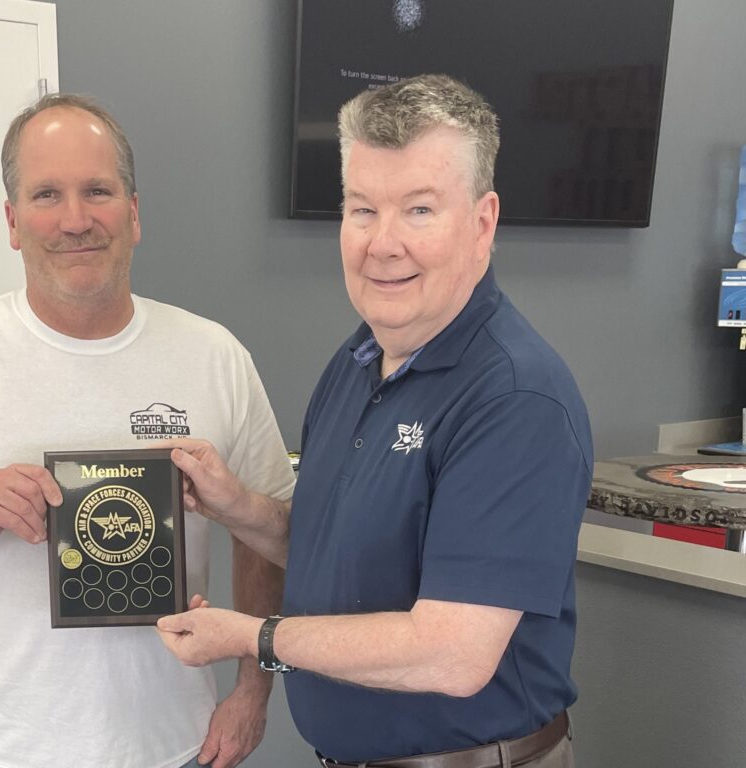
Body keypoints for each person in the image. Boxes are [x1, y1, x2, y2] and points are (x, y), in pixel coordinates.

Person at [0, 93, 295, 768]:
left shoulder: (213, 355)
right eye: (47, 195)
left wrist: (253, 690)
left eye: (97, 191)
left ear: (134, 213)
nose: (76, 220)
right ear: (13, 221)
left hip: (175, 746)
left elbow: (269, 532)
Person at [157, 74, 592, 768]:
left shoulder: (514, 398)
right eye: (363, 209)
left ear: (482, 224)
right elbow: (337, 558)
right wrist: (236, 506)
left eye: (419, 210)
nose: (383, 244)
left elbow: (451, 653)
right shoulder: (356, 363)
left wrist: (251, 637)